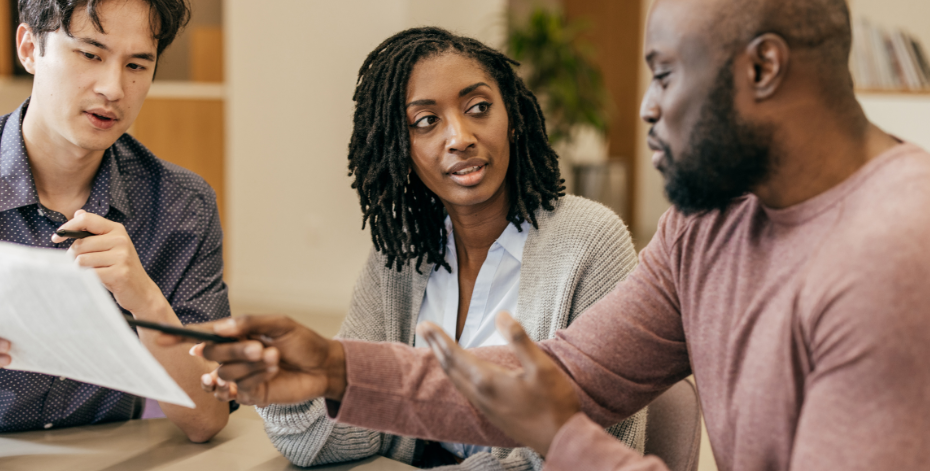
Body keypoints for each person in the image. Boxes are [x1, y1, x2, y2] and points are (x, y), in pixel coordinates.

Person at [165, 0, 930, 469]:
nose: (647, 107)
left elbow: (559, 417)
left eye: (663, 75)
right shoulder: (708, 226)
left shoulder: (908, 247)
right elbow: (553, 381)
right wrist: (336, 368)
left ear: (763, 67)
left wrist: (562, 438)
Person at [241, 27, 645, 469]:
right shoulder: (401, 257)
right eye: (426, 121)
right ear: (400, 148)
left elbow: (592, 449)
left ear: (512, 118)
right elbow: (327, 441)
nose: (460, 137)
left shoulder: (590, 243)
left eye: (479, 108)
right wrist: (294, 394)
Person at [0, 0, 231, 443]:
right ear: (30, 48)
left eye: (136, 65)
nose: (113, 88)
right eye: (90, 54)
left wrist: (145, 300)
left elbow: (208, 419)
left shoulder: (182, 205)